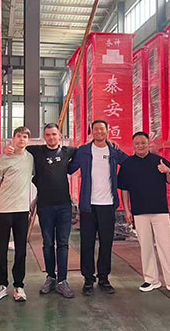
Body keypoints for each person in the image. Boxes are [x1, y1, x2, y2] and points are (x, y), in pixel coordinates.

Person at [4, 123, 77, 298]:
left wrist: (110, 143)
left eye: (54, 134)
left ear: (60, 136)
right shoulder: (36, 151)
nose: (51, 137)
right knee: (48, 243)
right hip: (45, 206)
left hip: (64, 206)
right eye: (48, 135)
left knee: (63, 243)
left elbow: (86, 150)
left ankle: (62, 281)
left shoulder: (68, 151)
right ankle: (51, 277)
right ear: (45, 137)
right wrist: (9, 148)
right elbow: (21, 147)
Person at [118, 132, 170, 298]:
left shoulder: (159, 161)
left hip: (160, 211)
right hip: (139, 212)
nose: (140, 146)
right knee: (146, 247)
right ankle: (151, 279)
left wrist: (167, 171)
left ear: (148, 144)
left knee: (166, 246)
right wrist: (127, 210)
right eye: (137, 143)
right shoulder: (127, 164)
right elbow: (124, 189)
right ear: (133, 145)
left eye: (143, 143)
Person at [68, 119, 128, 296]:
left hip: (108, 205)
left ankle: (104, 278)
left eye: (102, 129)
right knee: (86, 243)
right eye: (96, 129)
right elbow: (69, 168)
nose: (99, 132)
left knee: (106, 243)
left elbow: (130, 163)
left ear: (108, 131)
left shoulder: (114, 151)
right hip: (88, 205)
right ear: (91, 132)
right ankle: (88, 279)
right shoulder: (84, 151)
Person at [0, 126, 34, 302]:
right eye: (19, 136)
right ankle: (1, 284)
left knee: (21, 250)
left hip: (22, 210)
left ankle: (19, 286)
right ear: (13, 139)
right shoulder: (3, 158)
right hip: (3, 210)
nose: (22, 139)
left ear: (28, 140)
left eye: (25, 137)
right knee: (2, 249)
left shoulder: (30, 158)